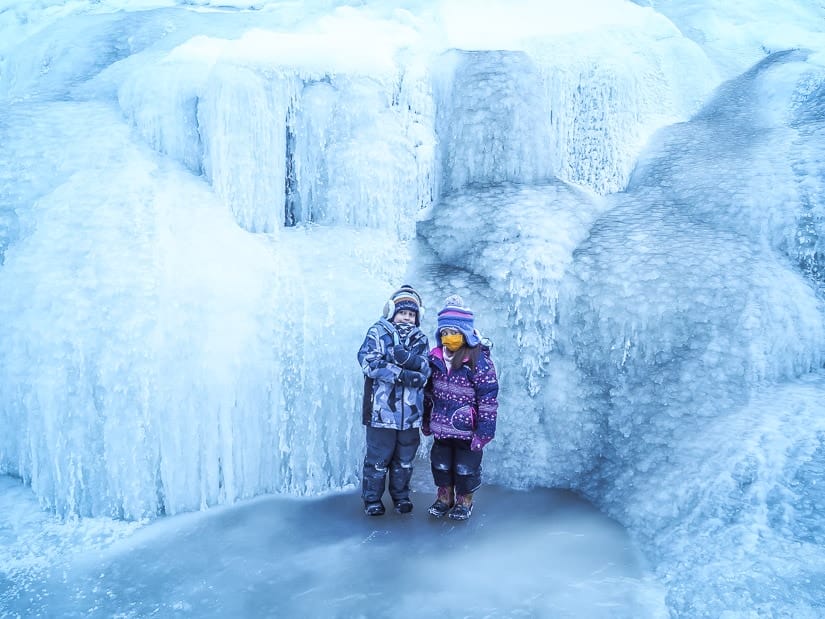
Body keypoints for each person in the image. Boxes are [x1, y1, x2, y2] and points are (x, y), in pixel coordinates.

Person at [423, 295, 498, 521]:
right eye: (444, 333)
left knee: (466, 468)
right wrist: (427, 420)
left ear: (465, 333)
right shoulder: (434, 358)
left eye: (453, 332)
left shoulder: (478, 362)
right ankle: (444, 497)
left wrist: (484, 432)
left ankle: (465, 500)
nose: (448, 337)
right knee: (441, 465)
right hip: (441, 427)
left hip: (467, 429)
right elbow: (428, 394)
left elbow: (488, 399)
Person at [357, 285, 430, 516]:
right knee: (378, 459)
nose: (406, 318)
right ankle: (372, 499)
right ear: (391, 312)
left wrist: (413, 362)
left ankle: (400, 497)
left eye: (411, 314)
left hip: (410, 415)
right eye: (402, 313)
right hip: (381, 413)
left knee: (405, 460)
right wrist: (401, 374)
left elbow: (427, 368)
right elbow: (369, 362)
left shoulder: (421, 338)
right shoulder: (378, 333)